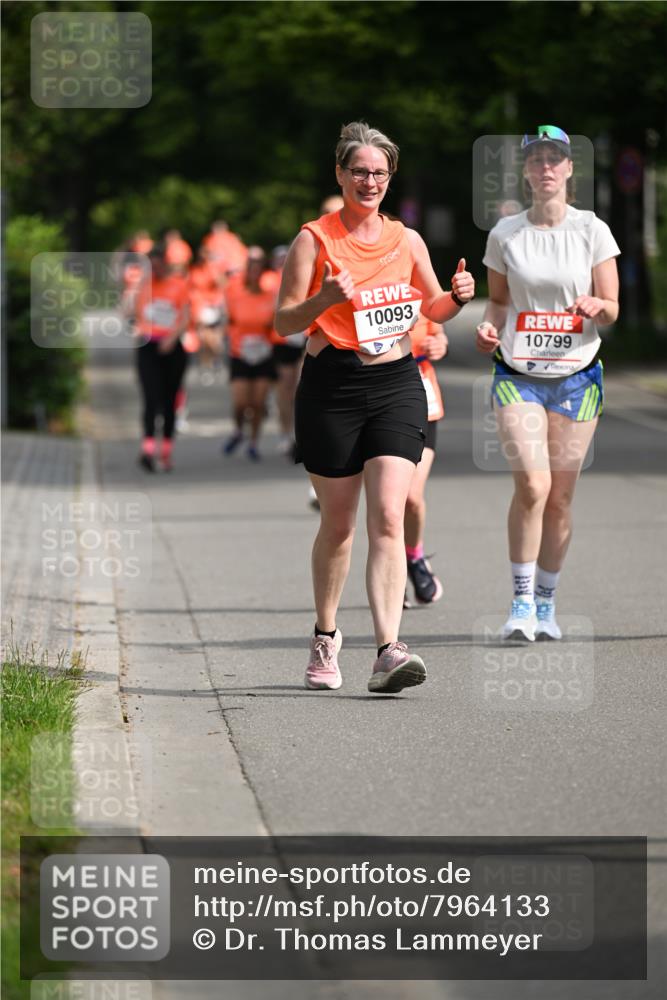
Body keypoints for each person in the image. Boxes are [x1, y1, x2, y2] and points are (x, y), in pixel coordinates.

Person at [275, 121, 474, 693]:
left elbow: (432, 307)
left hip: (395, 383)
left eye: (379, 173)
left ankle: (389, 650)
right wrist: (324, 299)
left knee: (389, 515)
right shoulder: (314, 239)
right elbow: (284, 320)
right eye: (358, 171)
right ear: (339, 174)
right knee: (338, 526)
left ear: (390, 179)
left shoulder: (406, 239)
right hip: (331, 387)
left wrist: (455, 300)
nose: (369, 181)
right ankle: (326, 635)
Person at [476, 125, 620, 641]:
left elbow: (613, 307)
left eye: (554, 160)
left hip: (579, 377)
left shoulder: (592, 230)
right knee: (532, 485)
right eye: (536, 160)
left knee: (560, 496)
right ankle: (518, 603)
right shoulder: (506, 234)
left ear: (569, 169)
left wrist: (597, 305)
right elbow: (497, 300)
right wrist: (490, 327)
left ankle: (545, 604)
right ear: (526, 170)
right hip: (519, 373)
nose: (545, 168)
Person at [404, 313, 448, 606]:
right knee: (386, 503)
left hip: (421, 399)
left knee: (410, 497)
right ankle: (392, 577)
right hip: (373, 399)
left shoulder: (422, 287)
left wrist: (438, 345)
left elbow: (439, 334)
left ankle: (414, 557)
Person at [134, 244, 190, 472]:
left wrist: (172, 337)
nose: (155, 270)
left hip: (172, 348)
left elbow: (185, 317)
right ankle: (148, 448)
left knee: (169, 400)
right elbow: (129, 312)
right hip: (148, 346)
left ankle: (165, 450)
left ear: (165, 263)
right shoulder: (143, 286)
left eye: (158, 265)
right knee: (150, 397)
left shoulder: (178, 284)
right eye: (151, 266)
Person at [222, 246, 277, 461]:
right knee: (240, 403)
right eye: (251, 270)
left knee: (258, 403)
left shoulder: (269, 297)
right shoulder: (236, 294)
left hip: (263, 354)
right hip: (240, 353)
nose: (254, 274)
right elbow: (228, 320)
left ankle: (253, 442)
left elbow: (276, 323)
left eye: (258, 270)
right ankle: (238, 430)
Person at [263, 245, 304, 455]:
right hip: (282, 339)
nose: (283, 262)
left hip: (305, 337)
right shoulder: (269, 280)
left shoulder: (305, 272)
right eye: (279, 259)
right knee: (286, 389)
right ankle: (286, 433)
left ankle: (301, 434)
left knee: (301, 387)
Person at [188, 246, 227, 384]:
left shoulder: (215, 268)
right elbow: (191, 288)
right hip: (200, 307)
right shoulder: (194, 270)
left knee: (215, 340)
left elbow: (223, 284)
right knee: (203, 339)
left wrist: (214, 270)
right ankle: (205, 366)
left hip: (214, 307)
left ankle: (216, 359)